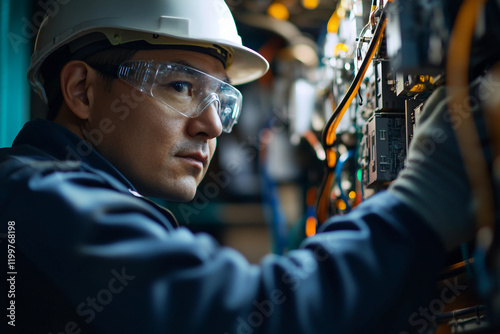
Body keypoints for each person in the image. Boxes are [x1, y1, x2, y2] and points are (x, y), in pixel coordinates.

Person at [0, 0, 496, 333]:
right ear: (82, 90)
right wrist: (419, 206)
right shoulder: (41, 200)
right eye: (180, 87)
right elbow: (250, 316)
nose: (213, 126)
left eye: (223, 100)